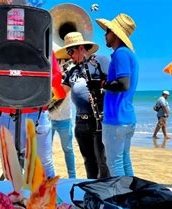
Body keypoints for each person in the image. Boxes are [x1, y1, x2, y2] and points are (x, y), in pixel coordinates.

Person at [58, 32, 110, 179]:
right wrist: (56, 75)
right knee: (89, 161)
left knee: (103, 162)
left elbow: (114, 86)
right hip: (80, 122)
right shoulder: (72, 71)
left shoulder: (100, 61)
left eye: (70, 51)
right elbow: (61, 93)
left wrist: (100, 93)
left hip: (98, 121)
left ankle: (105, 194)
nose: (69, 56)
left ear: (81, 48)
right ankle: (92, 192)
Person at [96, 14, 139, 177]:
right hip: (126, 117)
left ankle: (121, 200)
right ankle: (131, 197)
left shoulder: (121, 53)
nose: (104, 35)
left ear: (114, 33)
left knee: (114, 163)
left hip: (116, 119)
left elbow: (123, 84)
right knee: (124, 160)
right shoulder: (128, 54)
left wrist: (102, 84)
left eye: (107, 31)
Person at [49, 92, 76, 179]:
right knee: (46, 151)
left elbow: (62, 94)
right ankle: (48, 176)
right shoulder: (49, 79)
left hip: (65, 118)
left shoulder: (66, 79)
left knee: (68, 149)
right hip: (49, 118)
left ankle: (72, 177)